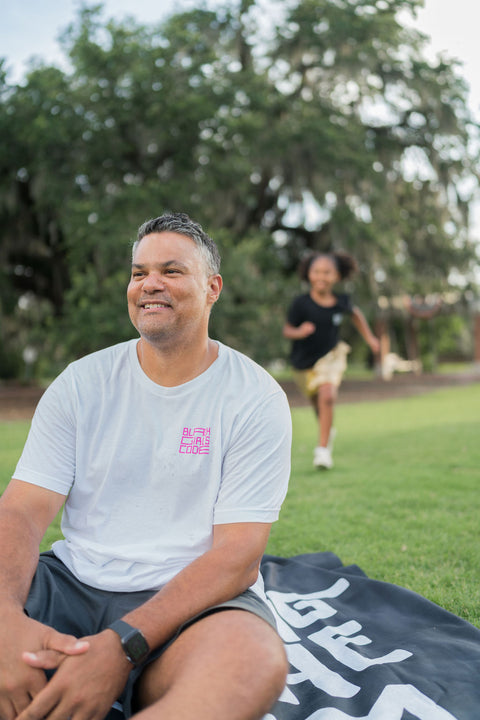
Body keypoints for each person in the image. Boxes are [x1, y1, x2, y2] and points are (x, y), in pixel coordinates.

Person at [0, 213, 292, 720]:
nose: (149, 283)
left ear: (213, 288)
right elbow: (22, 511)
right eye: (139, 273)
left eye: (172, 270)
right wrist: (3, 620)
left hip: (189, 604)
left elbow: (238, 556)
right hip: (71, 585)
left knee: (253, 662)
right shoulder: (81, 383)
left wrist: (123, 644)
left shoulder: (254, 396)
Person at [283, 251, 379, 469]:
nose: (321, 277)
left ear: (337, 276)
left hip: (331, 357)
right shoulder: (301, 304)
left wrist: (371, 338)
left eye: (327, 272)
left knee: (327, 395)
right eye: (316, 272)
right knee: (319, 403)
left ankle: (323, 451)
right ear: (308, 274)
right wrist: (300, 331)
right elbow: (287, 330)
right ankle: (327, 430)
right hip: (303, 363)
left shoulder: (340, 302)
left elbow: (356, 316)